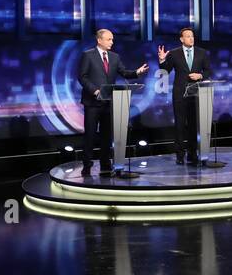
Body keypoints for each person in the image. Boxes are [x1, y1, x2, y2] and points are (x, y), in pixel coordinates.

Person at [76, 28, 149, 177]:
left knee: (106, 136)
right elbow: (82, 77)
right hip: (92, 102)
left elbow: (123, 72)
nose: (112, 42)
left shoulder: (115, 57)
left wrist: (137, 72)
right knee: (90, 135)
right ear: (99, 40)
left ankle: (105, 164)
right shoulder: (88, 55)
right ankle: (87, 165)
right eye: (109, 39)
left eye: (112, 39)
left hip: (109, 102)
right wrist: (95, 91)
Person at [157, 27, 211, 165]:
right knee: (180, 125)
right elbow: (165, 71)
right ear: (181, 39)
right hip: (180, 93)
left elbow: (208, 71)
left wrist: (200, 75)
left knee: (194, 125)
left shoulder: (202, 52)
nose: (191, 38)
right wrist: (162, 61)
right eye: (188, 36)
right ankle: (180, 155)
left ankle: (192, 154)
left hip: (196, 94)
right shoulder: (174, 53)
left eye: (192, 36)